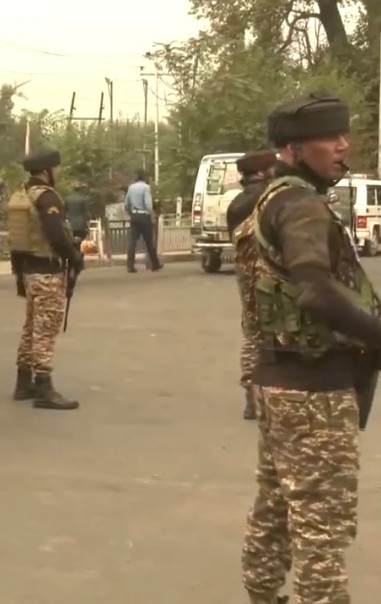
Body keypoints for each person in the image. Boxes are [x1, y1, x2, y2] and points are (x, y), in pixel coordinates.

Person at [234, 92, 381, 604]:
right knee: (322, 528)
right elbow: (314, 289)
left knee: (275, 508)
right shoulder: (300, 205)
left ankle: (262, 594)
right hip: (315, 388)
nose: (344, 146)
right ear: (294, 148)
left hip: (280, 379)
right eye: (330, 138)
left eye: (344, 135)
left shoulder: (267, 199)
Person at [7, 149, 83, 410]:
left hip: (28, 270)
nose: (58, 172)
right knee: (45, 328)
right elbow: (55, 234)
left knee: (31, 326)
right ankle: (43, 386)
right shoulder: (46, 196)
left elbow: (18, 239)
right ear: (47, 170)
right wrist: (73, 257)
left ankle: (23, 380)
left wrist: (19, 275)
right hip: (47, 271)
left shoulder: (22, 193)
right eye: (56, 168)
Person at [225, 150, 277, 421]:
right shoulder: (268, 197)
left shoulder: (236, 203)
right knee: (273, 331)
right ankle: (267, 393)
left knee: (251, 331)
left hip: (245, 272)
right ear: (262, 172)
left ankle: (251, 395)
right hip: (267, 270)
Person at [123, 170, 162, 273]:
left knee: (132, 242)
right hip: (144, 216)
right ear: (144, 178)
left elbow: (126, 204)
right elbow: (148, 204)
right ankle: (155, 264)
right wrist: (152, 215)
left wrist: (131, 213)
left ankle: (130, 266)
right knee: (149, 242)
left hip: (134, 216)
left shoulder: (131, 188)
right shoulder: (146, 188)